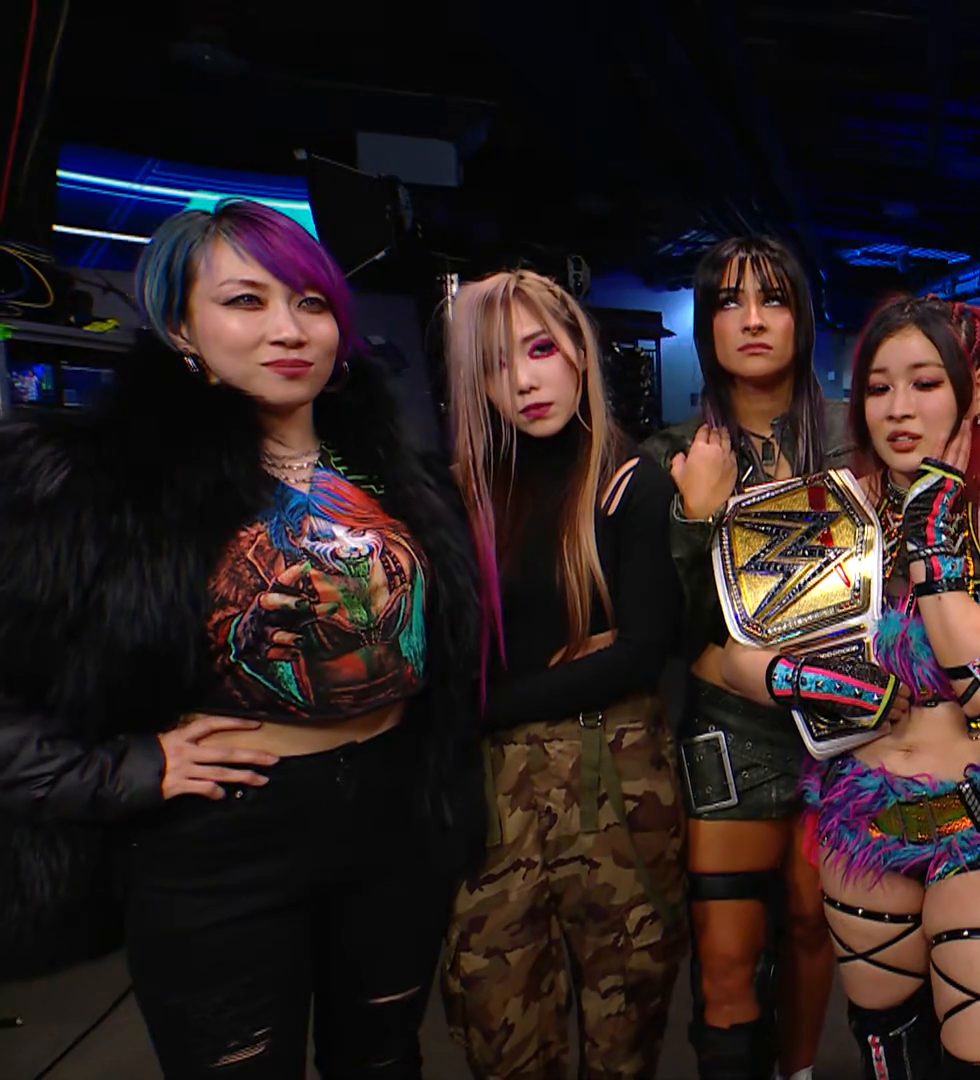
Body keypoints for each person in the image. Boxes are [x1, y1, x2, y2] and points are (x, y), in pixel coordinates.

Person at [0, 199, 484, 1077]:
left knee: (383, 1060)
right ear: (182, 327)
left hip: (395, 823)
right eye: (245, 301)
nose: (288, 329)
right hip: (223, 841)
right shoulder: (96, 485)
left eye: (310, 302)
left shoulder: (399, 474)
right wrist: (127, 768)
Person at [718, 295, 980, 1079]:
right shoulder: (834, 513)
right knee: (889, 1049)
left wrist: (933, 530)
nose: (899, 408)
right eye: (879, 387)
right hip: (865, 828)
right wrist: (811, 679)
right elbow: (734, 660)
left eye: (926, 383)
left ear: (975, 394)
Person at [438, 270, 688, 1079]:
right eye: (494, 364)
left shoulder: (625, 482)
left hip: (613, 785)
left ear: (579, 349)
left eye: (540, 348)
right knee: (502, 1035)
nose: (522, 380)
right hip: (492, 802)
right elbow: (443, 655)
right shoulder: (459, 493)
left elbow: (641, 650)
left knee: (624, 1033)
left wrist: (483, 702)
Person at [640, 235, 848, 1080]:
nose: (754, 319)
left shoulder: (855, 437)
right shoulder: (671, 453)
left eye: (774, 299)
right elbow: (671, 629)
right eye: (730, 301)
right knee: (726, 959)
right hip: (729, 728)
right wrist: (697, 516)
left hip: (844, 725)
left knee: (810, 924)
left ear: (803, 318)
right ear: (706, 324)